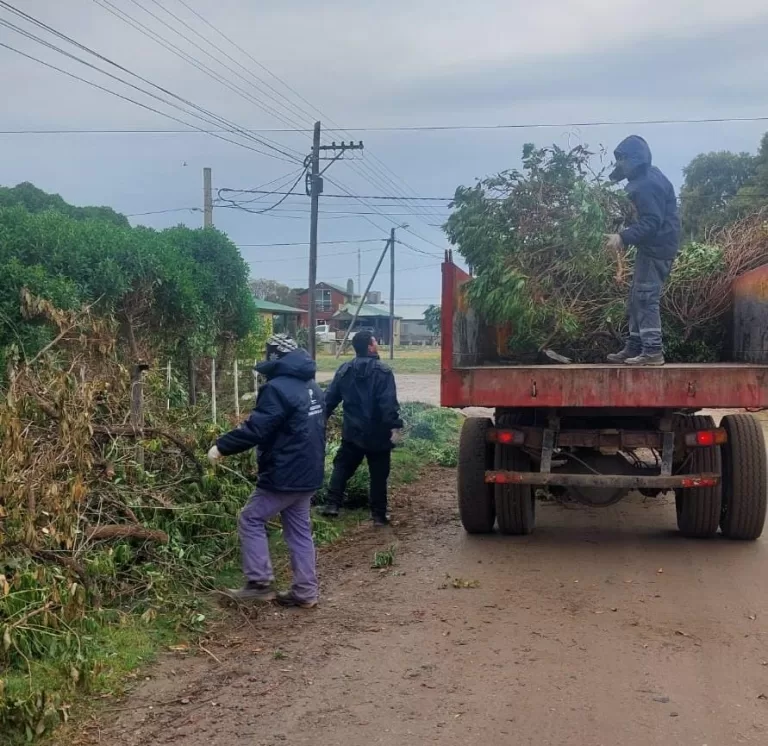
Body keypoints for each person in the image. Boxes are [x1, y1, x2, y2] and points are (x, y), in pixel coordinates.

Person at [207, 334, 326, 608]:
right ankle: (306, 592)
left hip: (285, 473)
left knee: (250, 518)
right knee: (298, 531)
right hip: (310, 472)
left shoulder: (277, 388)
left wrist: (221, 447)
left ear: (274, 357)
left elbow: (258, 428)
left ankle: (259, 583)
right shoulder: (311, 386)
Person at [604, 135, 681, 366]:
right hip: (654, 247)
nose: (619, 165)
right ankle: (635, 346)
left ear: (634, 160)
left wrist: (622, 237)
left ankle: (652, 351)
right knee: (637, 297)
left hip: (657, 248)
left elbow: (651, 222)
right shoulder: (647, 178)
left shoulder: (647, 184)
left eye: (622, 159)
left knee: (646, 298)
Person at [320, 330, 403, 526]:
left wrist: (319, 421)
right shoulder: (383, 372)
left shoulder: (344, 370)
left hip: (352, 432)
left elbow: (329, 400)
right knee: (379, 475)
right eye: (375, 342)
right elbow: (388, 404)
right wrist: (394, 427)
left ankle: (332, 505)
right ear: (370, 347)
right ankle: (378, 516)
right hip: (378, 434)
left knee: (342, 467)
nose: (377, 345)